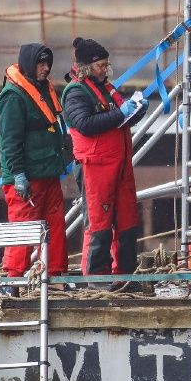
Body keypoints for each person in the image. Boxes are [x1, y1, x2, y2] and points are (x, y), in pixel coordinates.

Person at [61, 36, 149, 276]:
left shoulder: (105, 89)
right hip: (94, 167)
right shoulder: (75, 92)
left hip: (118, 165)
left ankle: (124, 272)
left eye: (106, 65)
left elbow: (120, 120)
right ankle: (96, 277)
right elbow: (85, 124)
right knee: (99, 223)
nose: (106, 70)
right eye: (101, 66)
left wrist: (137, 111)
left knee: (127, 219)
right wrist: (121, 113)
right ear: (87, 68)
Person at [0, 43, 70, 278]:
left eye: (48, 64)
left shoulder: (43, 89)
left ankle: (55, 275)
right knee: (23, 227)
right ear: (29, 64)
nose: (46, 68)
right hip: (27, 178)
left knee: (56, 225)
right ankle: (13, 277)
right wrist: (18, 173)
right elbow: (10, 140)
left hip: (48, 173)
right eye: (41, 63)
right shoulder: (13, 96)